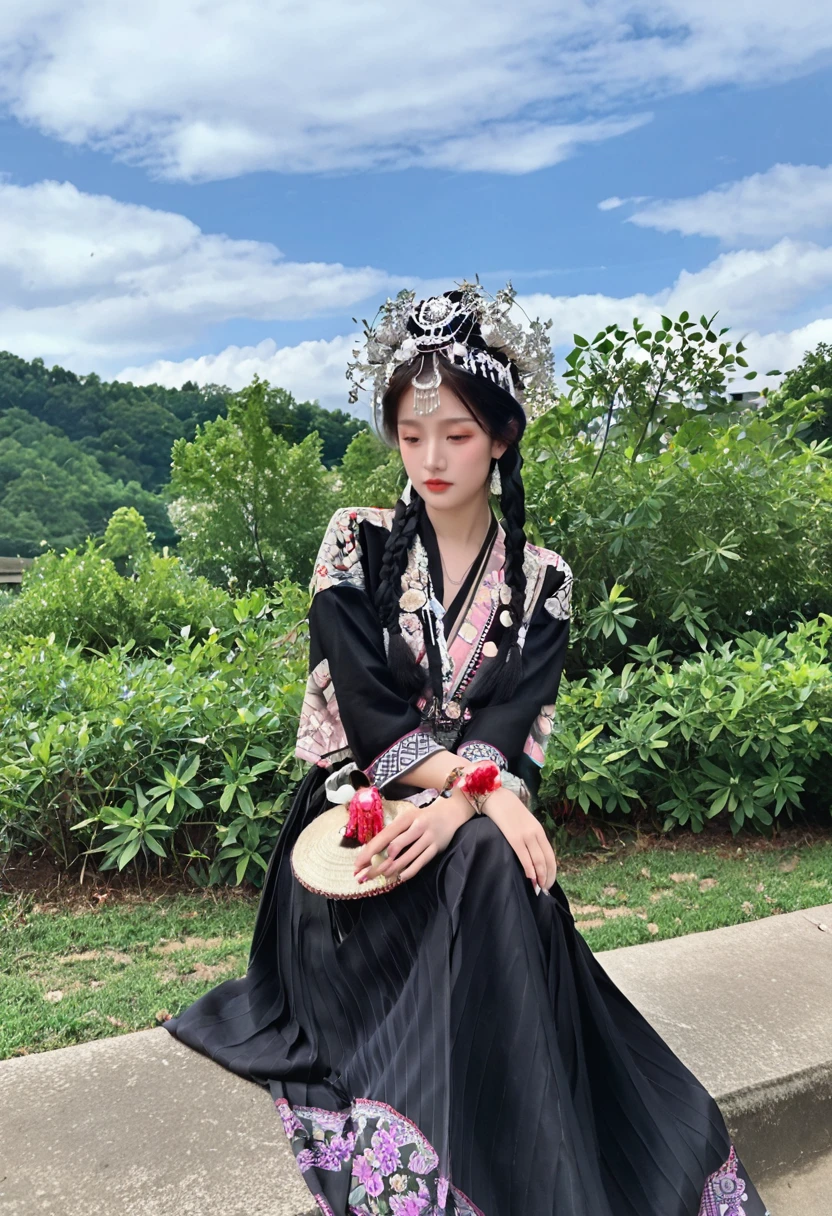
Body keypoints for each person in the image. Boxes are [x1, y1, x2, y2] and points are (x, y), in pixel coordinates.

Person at [164, 285, 771, 1216]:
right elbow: (367, 714)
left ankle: (525, 1166)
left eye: (455, 433)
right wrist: (477, 791)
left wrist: (464, 803)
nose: (432, 458)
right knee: (496, 849)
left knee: (490, 853)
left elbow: (513, 723)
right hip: (358, 836)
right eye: (412, 435)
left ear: (500, 434)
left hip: (466, 834)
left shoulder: (546, 581)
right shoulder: (354, 545)